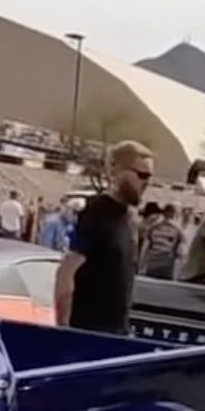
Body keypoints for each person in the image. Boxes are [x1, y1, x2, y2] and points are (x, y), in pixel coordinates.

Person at [53, 141, 152, 334]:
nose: (147, 182)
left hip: (118, 333)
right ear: (116, 171)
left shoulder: (129, 219)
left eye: (149, 176)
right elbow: (66, 272)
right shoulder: (95, 214)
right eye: (142, 175)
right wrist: (64, 329)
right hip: (88, 334)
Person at [138, 202, 184, 280]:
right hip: (167, 266)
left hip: (151, 265)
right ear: (174, 214)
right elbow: (181, 252)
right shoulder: (178, 230)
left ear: (163, 213)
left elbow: (145, 249)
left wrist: (141, 266)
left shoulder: (153, 227)